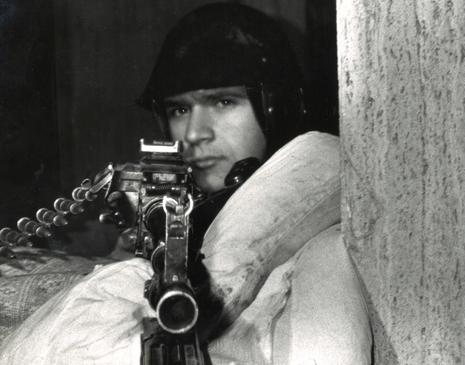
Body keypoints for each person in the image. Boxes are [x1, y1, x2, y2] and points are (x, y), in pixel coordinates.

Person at [0, 3, 371, 364]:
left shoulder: (320, 235)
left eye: (224, 102)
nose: (194, 133)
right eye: (179, 110)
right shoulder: (153, 214)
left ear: (279, 107)